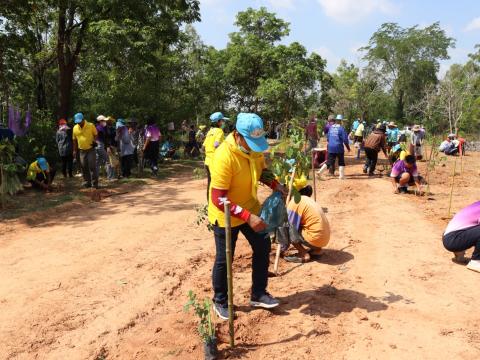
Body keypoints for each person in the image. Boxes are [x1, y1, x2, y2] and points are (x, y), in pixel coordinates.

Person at [209, 112, 283, 320]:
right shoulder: (224, 156)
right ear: (237, 135)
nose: (253, 146)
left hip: (250, 207)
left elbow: (262, 172)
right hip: (226, 214)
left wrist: (276, 184)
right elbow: (218, 198)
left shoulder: (254, 152)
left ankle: (258, 293)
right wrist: (247, 216)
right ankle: (220, 300)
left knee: (262, 246)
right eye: (250, 142)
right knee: (225, 258)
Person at [282, 186, 330, 263]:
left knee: (286, 225)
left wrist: (283, 247)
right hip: (324, 239)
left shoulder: (295, 201)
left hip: (315, 238)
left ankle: (303, 254)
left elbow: (289, 226)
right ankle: (317, 250)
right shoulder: (308, 200)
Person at [442, 201, 480, 273]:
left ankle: (459, 252)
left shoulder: (477, 205)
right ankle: (476, 262)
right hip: (453, 239)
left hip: (449, 236)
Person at [203, 112, 229, 201]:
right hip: (215, 162)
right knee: (217, 184)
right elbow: (216, 145)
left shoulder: (209, 132)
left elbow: (203, 147)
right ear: (218, 122)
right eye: (222, 121)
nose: (223, 123)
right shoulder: (219, 131)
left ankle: (209, 203)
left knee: (210, 183)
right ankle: (216, 204)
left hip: (207, 162)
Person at [317, 114, 350, 179]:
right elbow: (345, 140)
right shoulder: (341, 128)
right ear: (341, 121)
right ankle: (341, 176)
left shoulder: (331, 127)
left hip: (331, 147)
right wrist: (348, 148)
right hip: (339, 147)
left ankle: (320, 172)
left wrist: (331, 145)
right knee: (341, 161)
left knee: (329, 161)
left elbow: (328, 138)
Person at [72, 112, 98, 188]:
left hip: (90, 149)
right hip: (82, 150)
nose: (79, 123)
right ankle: (87, 182)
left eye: (80, 121)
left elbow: (96, 134)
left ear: (83, 119)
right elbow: (74, 140)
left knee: (92, 166)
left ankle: (95, 184)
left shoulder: (90, 125)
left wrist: (94, 141)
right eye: (77, 122)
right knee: (84, 166)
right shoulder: (75, 128)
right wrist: (74, 150)